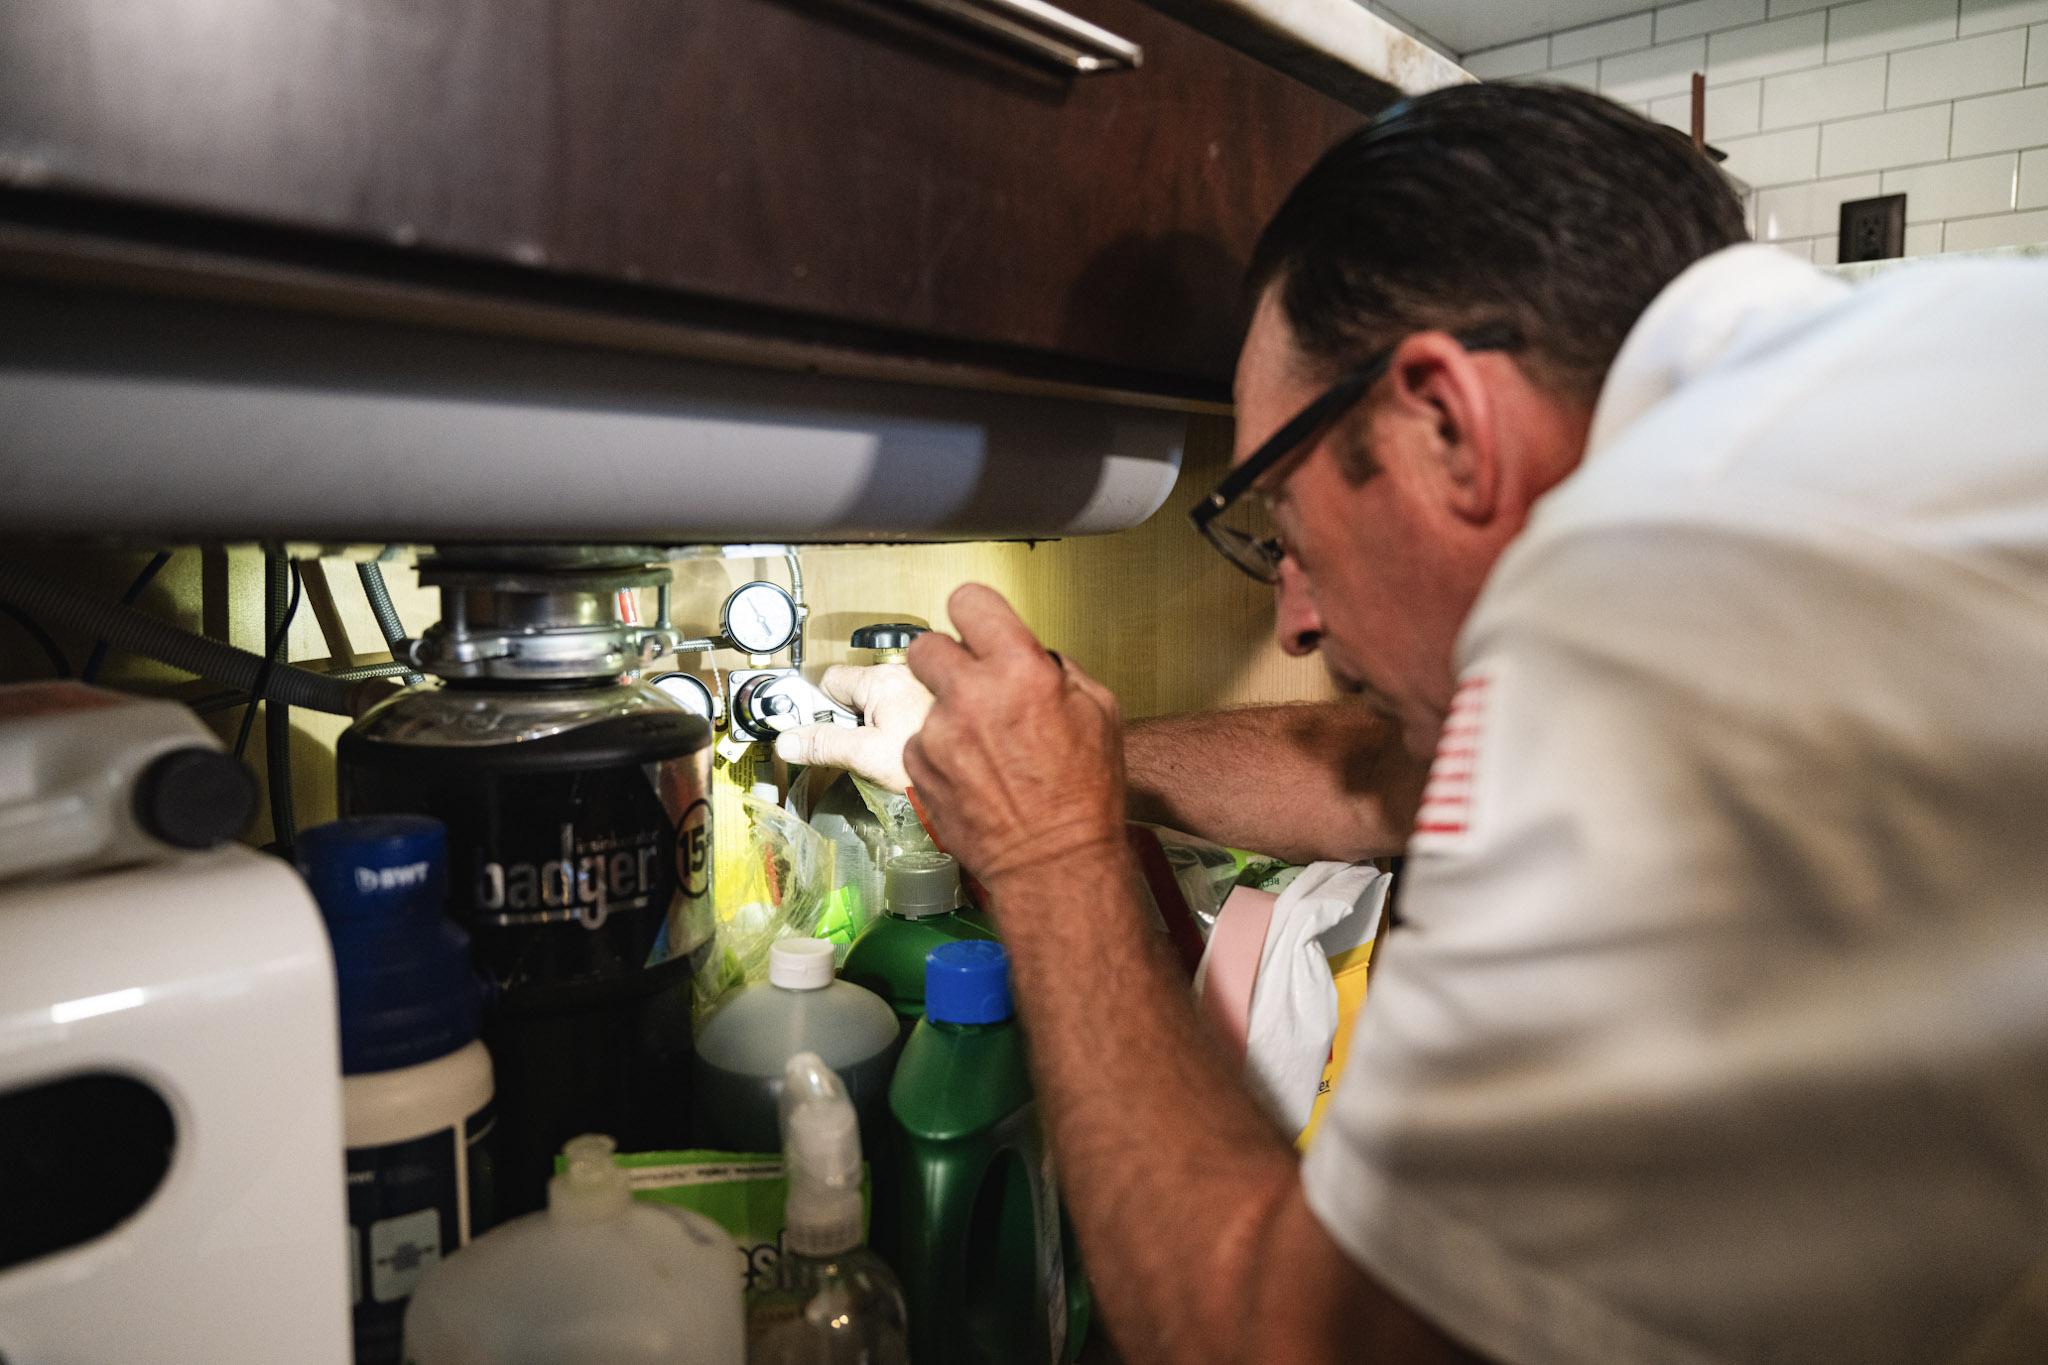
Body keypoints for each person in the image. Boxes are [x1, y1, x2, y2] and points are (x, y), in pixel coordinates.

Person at [778, 82, 2048, 1364]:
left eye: (1281, 526)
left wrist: (1047, 850)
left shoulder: (1643, 612)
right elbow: (1383, 780)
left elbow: (1280, 1341)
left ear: (1444, 419)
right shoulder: (1915, 361)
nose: (1293, 622)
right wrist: (1076, 765)